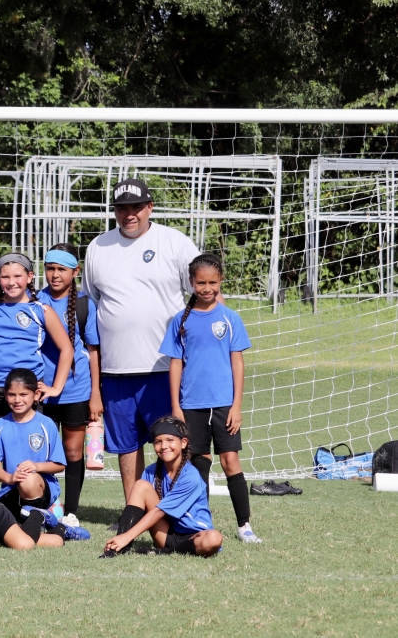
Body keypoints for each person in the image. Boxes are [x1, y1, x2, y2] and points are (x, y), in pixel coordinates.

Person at [82, 178, 205, 503]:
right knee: (126, 445)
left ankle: (176, 508)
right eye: (122, 208)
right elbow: (92, 302)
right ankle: (133, 509)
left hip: (165, 367)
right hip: (116, 369)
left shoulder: (174, 242)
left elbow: (202, 292)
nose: (129, 214)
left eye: (136, 207)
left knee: (171, 441)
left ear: (149, 207)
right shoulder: (98, 247)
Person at [0, 252, 73, 502]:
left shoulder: (40, 309)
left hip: (25, 393)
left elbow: (67, 349)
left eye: (18, 276)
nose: (11, 282)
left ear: (30, 277)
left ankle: (34, 504)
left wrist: (55, 387)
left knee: (23, 454)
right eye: (5, 276)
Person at [159, 253, 259, 543]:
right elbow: (175, 364)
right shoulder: (180, 321)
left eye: (212, 282)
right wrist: (177, 406)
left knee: (230, 461)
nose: (206, 288)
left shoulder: (230, 318)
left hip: (224, 404)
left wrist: (236, 405)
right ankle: (200, 522)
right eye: (200, 282)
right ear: (191, 283)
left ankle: (245, 526)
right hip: (191, 405)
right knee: (199, 464)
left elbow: (237, 362)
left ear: (220, 282)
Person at [37, 243, 102, 519]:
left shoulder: (85, 304)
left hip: (76, 390)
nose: (55, 275)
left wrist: (96, 394)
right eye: (50, 268)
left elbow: (93, 351)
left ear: (75, 271)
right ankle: (42, 506)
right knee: (42, 452)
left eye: (61, 269)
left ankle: (71, 512)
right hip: (40, 390)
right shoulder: (34, 299)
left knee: (73, 451)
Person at [102, 417, 222, 558]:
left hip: (194, 537)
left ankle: (166, 551)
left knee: (214, 538)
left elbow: (158, 512)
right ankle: (118, 547)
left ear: (183, 443)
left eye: (170, 440)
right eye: (158, 441)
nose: (164, 446)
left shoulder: (191, 477)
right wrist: (124, 536)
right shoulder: (150, 471)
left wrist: (128, 535)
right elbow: (142, 508)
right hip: (165, 534)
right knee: (141, 485)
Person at [0, 369, 67, 523]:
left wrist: (36, 466)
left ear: (36, 395)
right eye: (12, 394)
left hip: (39, 488)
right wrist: (10, 477)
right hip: (10, 490)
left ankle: (41, 520)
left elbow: (59, 465)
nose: (17, 400)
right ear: (5, 394)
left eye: (23, 395)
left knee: (27, 480)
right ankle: (51, 522)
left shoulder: (46, 424)